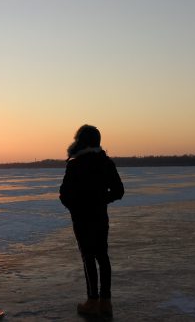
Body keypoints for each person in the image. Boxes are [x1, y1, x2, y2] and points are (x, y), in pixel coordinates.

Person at [59, 125, 124, 317]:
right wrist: (100, 200)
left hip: (81, 219)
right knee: (102, 256)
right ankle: (106, 303)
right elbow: (118, 192)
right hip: (99, 217)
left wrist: (76, 206)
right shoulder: (106, 162)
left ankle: (92, 301)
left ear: (81, 142)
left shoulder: (75, 164)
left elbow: (64, 194)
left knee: (88, 257)